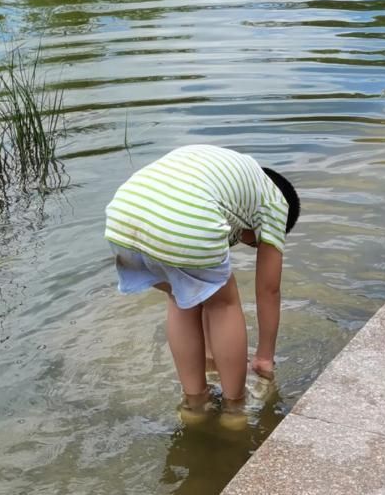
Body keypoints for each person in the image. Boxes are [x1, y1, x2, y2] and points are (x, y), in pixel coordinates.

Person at [105, 144, 300, 426]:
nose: (246, 243)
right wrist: (264, 358)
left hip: (123, 215)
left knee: (180, 297)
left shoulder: (226, 171)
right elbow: (269, 289)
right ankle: (234, 409)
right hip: (185, 218)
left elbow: (198, 292)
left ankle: (194, 403)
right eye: (253, 242)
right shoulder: (275, 202)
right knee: (224, 302)